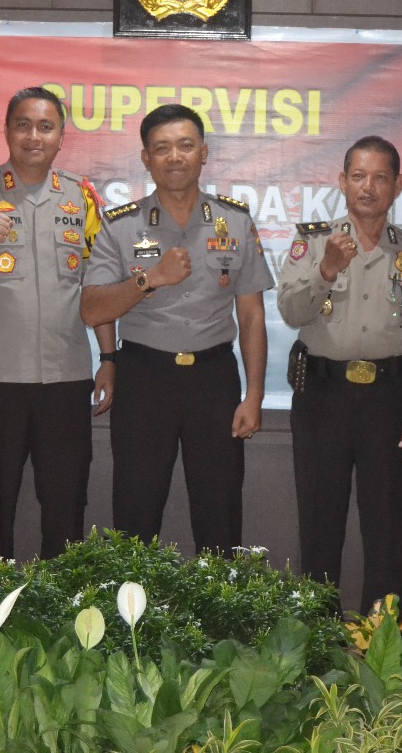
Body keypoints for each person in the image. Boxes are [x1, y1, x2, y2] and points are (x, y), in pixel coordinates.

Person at [81, 103, 272, 553]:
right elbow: (91, 309)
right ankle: (132, 601)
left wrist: (255, 395)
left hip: (214, 380)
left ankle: (220, 601)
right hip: (144, 378)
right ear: (145, 158)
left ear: (203, 153)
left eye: (185, 145)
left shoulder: (235, 220)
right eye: (162, 147)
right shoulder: (120, 225)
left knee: (220, 512)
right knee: (135, 512)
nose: (174, 156)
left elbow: (251, 316)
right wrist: (150, 278)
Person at [0, 86, 115, 570]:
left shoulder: (81, 197)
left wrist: (109, 358)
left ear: (61, 136)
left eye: (45, 126)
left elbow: (97, 287)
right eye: (23, 125)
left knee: (66, 510)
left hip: (65, 381)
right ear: (7, 131)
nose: (33, 136)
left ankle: (66, 612)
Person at [278, 136, 402, 612]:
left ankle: (382, 641)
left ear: (398, 185)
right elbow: (290, 311)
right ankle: (317, 639)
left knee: (388, 531)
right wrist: (326, 271)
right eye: (358, 176)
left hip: (387, 401)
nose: (367, 187)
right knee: (319, 527)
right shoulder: (314, 242)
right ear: (342, 181)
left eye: (379, 178)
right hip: (322, 397)